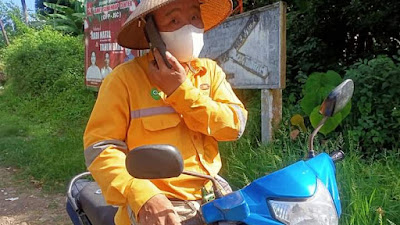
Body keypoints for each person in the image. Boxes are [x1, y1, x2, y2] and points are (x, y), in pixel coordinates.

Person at [83, 0, 247, 224]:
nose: (188, 28)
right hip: (158, 204)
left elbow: (235, 126)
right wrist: (142, 194)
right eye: (174, 20)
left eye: (194, 17)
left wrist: (180, 91)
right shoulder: (124, 80)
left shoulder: (210, 72)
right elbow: (100, 148)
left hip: (212, 195)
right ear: (151, 30)